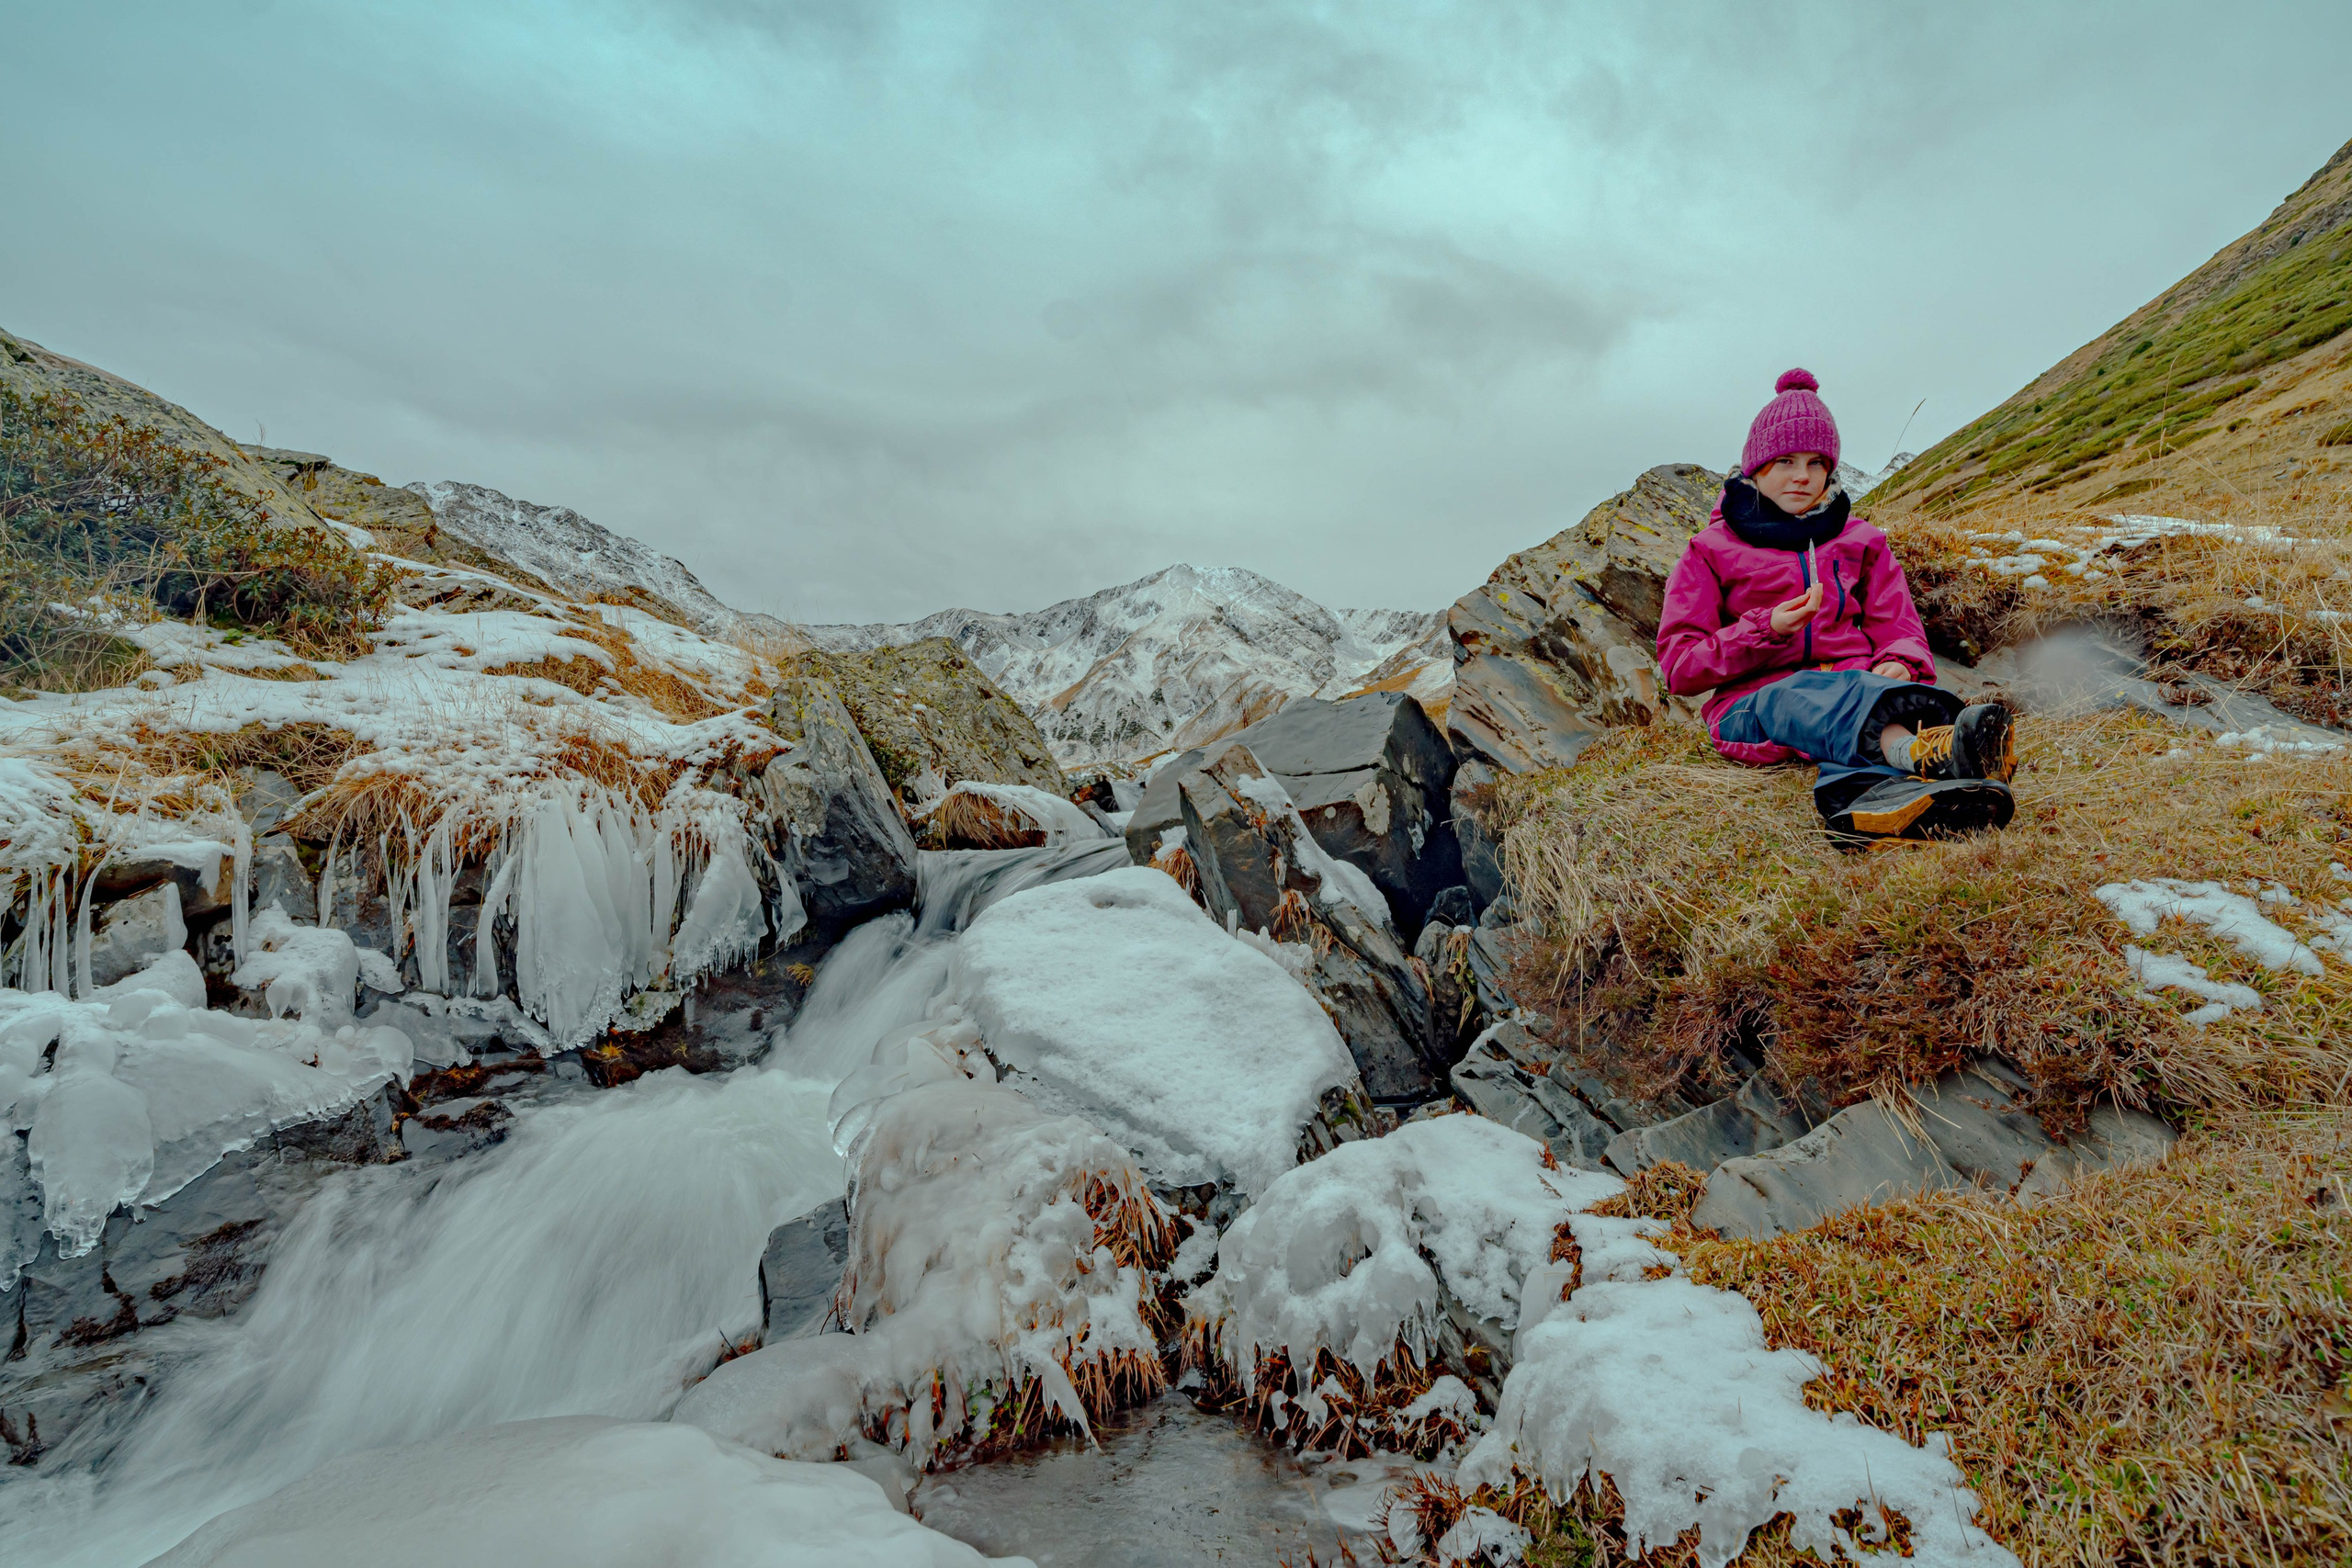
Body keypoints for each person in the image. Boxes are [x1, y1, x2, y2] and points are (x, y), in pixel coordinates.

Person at [1656, 368, 2017, 843]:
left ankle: (1883, 804)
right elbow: (1680, 668)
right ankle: (1929, 756)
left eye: (1815, 461)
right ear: (1756, 467)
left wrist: (1899, 661)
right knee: (1801, 692)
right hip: (1754, 706)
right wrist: (1766, 630)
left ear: (1830, 469)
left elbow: (1899, 627)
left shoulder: (1863, 542)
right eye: (1784, 460)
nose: (1802, 476)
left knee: (1872, 699)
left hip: (1858, 689)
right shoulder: (1709, 549)